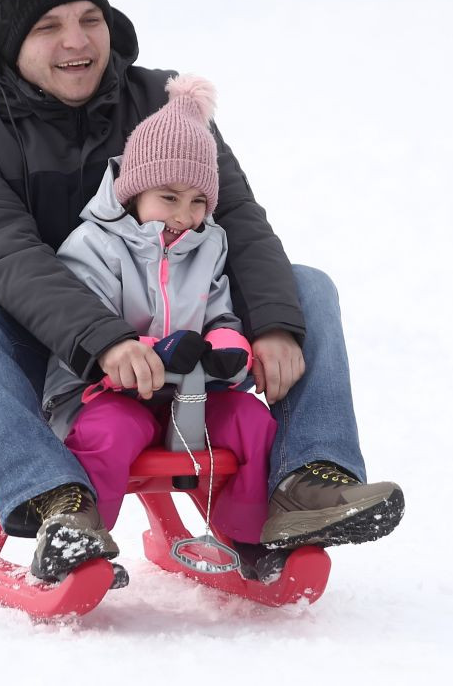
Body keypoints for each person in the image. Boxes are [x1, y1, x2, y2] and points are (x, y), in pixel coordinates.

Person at [0, 0, 403, 584]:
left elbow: (236, 218)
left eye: (90, 19)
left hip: (190, 344)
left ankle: (309, 482)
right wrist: (107, 342)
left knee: (303, 290)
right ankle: (60, 501)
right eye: (49, 26)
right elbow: (10, 262)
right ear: (13, 43)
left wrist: (272, 327)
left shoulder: (164, 106)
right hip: (55, 362)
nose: (77, 41)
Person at [40, 74, 278, 583]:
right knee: (110, 435)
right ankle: (80, 539)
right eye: (169, 197)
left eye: (198, 202)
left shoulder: (208, 245)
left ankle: (251, 537)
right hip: (102, 393)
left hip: (188, 398)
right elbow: (83, 325)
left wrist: (226, 349)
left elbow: (221, 314)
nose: (185, 215)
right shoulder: (93, 245)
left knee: (251, 423)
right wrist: (152, 349)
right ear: (134, 190)